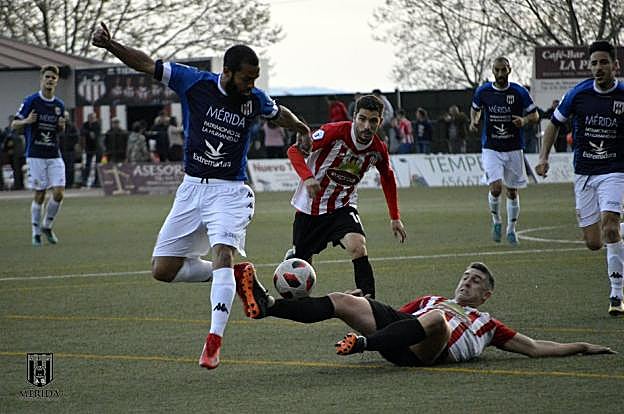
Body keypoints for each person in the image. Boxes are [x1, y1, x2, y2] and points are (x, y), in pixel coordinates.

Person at [92, 21, 311, 369]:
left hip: (230, 191)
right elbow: (146, 64)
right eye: (246, 79)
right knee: (163, 269)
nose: (251, 85)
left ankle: (213, 341)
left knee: (222, 251)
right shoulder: (193, 82)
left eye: (255, 79)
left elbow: (276, 112)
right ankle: (238, 276)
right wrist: (111, 45)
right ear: (227, 73)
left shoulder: (254, 99)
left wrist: (299, 126)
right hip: (192, 188)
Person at [234, 261, 614, 366]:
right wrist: (358, 307)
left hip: (430, 352)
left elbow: (533, 348)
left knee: (437, 320)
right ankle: (268, 307)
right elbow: (399, 320)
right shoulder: (431, 298)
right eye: (466, 277)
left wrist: (581, 346)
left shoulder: (486, 324)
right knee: (341, 300)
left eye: (476, 282)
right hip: (401, 337)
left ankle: (362, 344)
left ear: (486, 295)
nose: (467, 283)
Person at [284, 94, 407, 298]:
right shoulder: (334, 132)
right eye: (362, 119)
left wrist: (395, 217)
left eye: (373, 121)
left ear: (380, 121)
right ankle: (301, 296)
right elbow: (294, 151)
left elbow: (387, 177)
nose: (367, 126)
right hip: (310, 207)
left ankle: (369, 300)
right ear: (354, 117)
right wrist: (308, 178)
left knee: (358, 246)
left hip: (342, 205)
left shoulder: (378, 149)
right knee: (303, 264)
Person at [535, 40, 624, 316]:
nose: (598, 68)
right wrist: (543, 157)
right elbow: (554, 124)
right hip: (584, 172)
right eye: (594, 63)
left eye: (604, 62)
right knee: (594, 242)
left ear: (615, 65)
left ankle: (617, 295)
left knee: (610, 228)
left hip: (615, 170)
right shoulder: (578, 93)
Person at [470, 57, 539, 245]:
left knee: (512, 191)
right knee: (495, 187)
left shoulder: (519, 92)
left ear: (509, 70)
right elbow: (475, 108)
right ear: (493, 70)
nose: (500, 74)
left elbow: (535, 115)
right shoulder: (483, 91)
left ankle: (511, 230)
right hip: (491, 147)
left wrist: (524, 120)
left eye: (503, 70)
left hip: (514, 147)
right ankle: (496, 221)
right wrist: (474, 120)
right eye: (497, 70)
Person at [11, 65, 66, 246]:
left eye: (53, 78)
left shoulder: (59, 105)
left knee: (59, 193)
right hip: (35, 154)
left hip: (54, 154)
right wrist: (27, 121)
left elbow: (60, 130)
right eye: (47, 77)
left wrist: (61, 127)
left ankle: (47, 226)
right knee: (40, 194)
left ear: (56, 81)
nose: (50, 80)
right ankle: (35, 233)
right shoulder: (31, 101)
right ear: (41, 79)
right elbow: (14, 125)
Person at [80, 112, 102, 187]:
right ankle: (85, 181)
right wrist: (89, 133)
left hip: (97, 147)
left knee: (97, 165)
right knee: (87, 165)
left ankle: (97, 182)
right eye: (91, 118)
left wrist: (91, 133)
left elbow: (96, 134)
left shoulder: (97, 124)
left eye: (93, 118)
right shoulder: (85, 124)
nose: (92, 119)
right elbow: (82, 131)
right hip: (89, 147)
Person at [59, 111, 80, 188]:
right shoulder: (58, 126)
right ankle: (61, 183)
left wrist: (72, 144)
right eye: (64, 116)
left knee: (70, 168)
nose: (65, 118)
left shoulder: (72, 126)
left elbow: (76, 137)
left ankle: (70, 183)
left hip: (70, 150)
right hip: (61, 150)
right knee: (60, 168)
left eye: (66, 116)